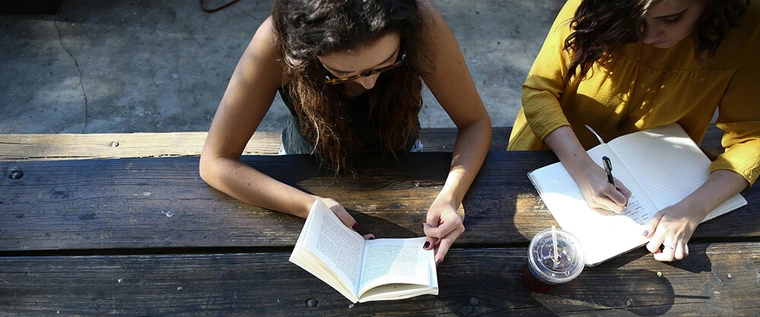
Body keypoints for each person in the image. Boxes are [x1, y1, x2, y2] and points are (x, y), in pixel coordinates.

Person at [199, 0, 492, 265]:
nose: (369, 84)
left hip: (402, 158)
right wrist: (310, 206)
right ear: (304, 52)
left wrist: (451, 197)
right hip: (303, 166)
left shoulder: (420, 20)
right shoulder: (277, 41)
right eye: (343, 74)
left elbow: (474, 122)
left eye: (387, 62)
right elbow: (215, 162)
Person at [509, 0, 759, 262]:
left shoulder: (748, 29)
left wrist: (693, 209)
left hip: (662, 182)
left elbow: (752, 138)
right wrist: (583, 169)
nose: (649, 36)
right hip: (549, 152)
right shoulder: (594, 5)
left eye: (671, 19)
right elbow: (540, 90)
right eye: (637, 20)